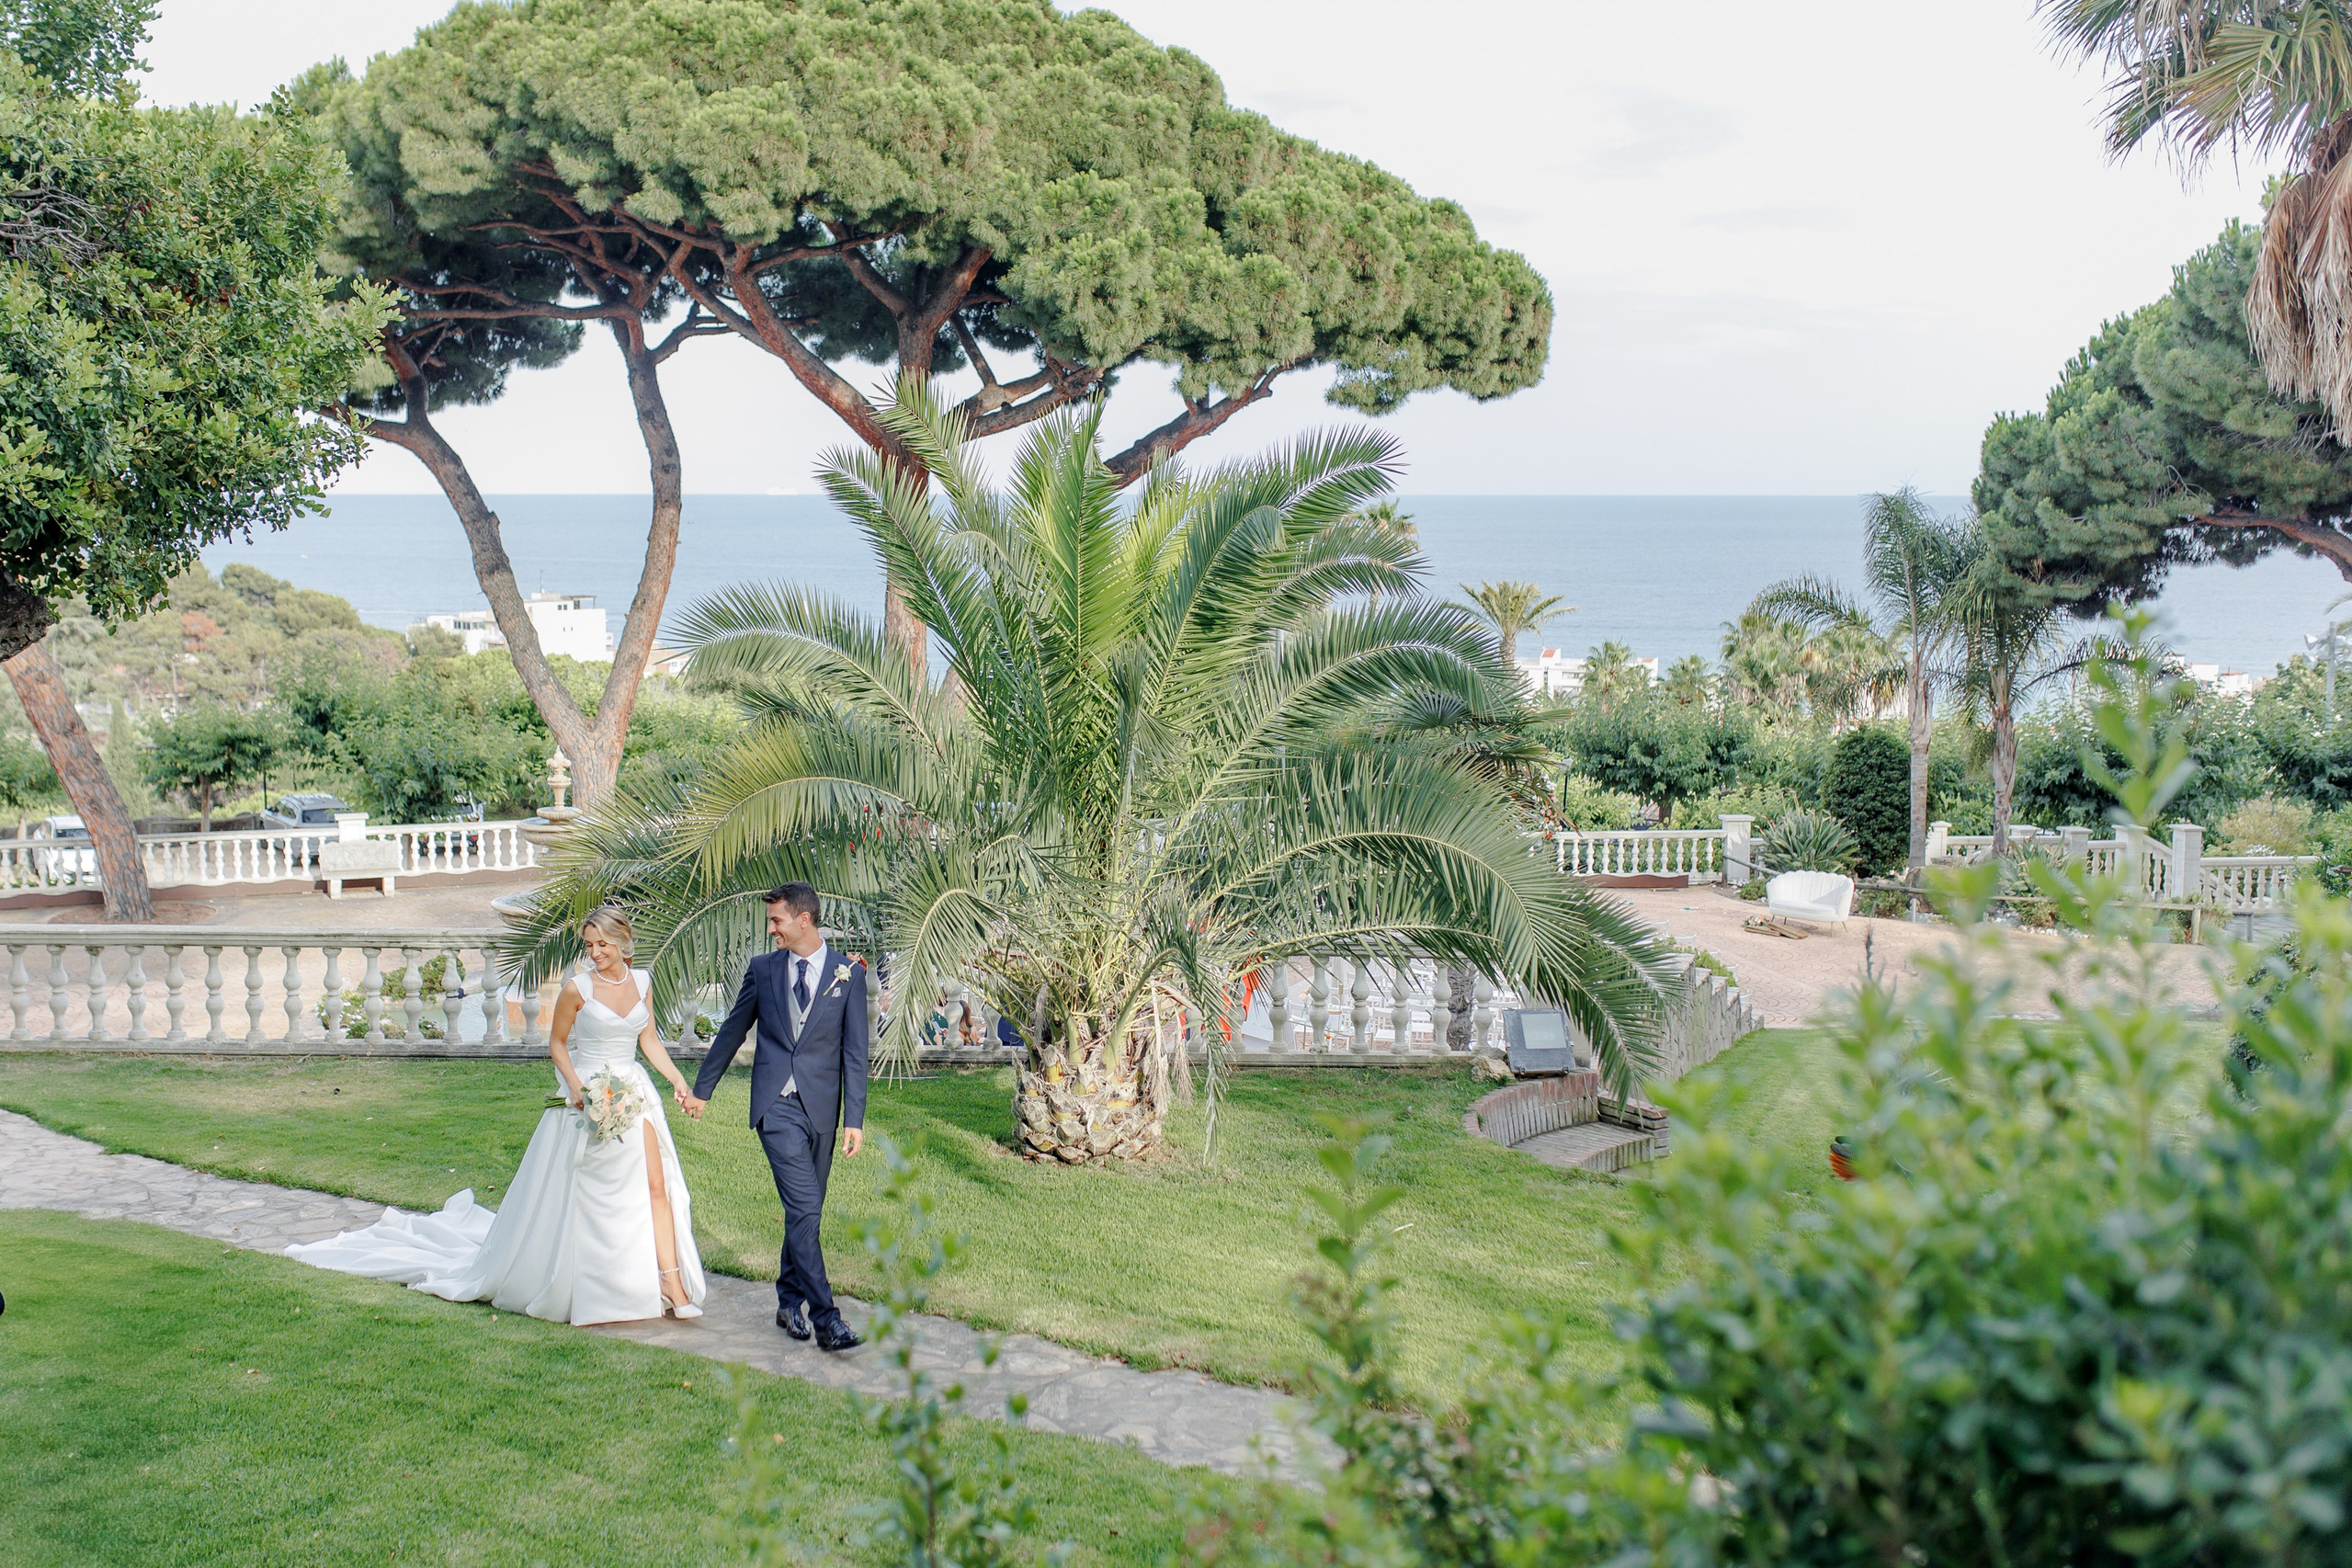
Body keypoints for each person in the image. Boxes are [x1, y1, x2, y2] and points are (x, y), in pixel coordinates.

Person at [288, 905, 706, 1324]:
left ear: (622, 942)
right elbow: (558, 1044)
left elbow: (648, 1039)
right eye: (589, 945)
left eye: (602, 945)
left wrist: (677, 1081)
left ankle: (671, 1284)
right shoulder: (577, 988)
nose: (595, 953)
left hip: (634, 1094)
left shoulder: (642, 982)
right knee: (584, 1193)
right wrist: (577, 1087)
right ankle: (589, 1285)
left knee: (656, 1186)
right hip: (590, 1096)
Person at [681, 881, 869, 1351]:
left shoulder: (848, 973)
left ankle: (788, 1302)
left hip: (822, 1110)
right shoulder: (763, 970)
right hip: (776, 1107)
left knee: (805, 1212)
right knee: (804, 1208)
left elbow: (855, 1052)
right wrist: (703, 1090)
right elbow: (732, 1030)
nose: (771, 930)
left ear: (804, 920)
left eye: (776, 920)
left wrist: (854, 1118)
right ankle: (827, 1319)